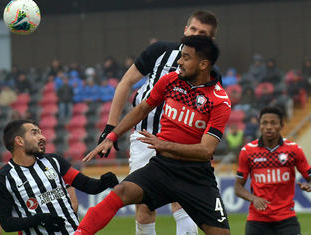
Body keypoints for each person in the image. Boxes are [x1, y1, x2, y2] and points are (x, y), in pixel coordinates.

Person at [76, 35, 231, 235]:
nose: (179, 62)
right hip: (162, 169)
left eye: (185, 57)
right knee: (121, 191)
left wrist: (164, 145)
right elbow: (141, 110)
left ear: (203, 64)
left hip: (196, 177)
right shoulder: (171, 81)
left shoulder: (219, 101)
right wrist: (111, 136)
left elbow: (205, 150)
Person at [0, 119, 119, 234]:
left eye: (41, 132)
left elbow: (88, 186)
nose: (42, 137)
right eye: (35, 133)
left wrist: (104, 182)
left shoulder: (54, 161)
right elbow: (7, 224)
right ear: (19, 141)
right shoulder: (1, 178)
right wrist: (40, 219)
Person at [234, 106, 311, 235]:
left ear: (282, 125)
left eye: (273, 123)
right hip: (257, 220)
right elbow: (238, 187)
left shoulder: (294, 150)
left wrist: (309, 185)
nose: (268, 127)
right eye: (265, 123)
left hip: (286, 218)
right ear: (259, 125)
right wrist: (253, 198)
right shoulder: (247, 151)